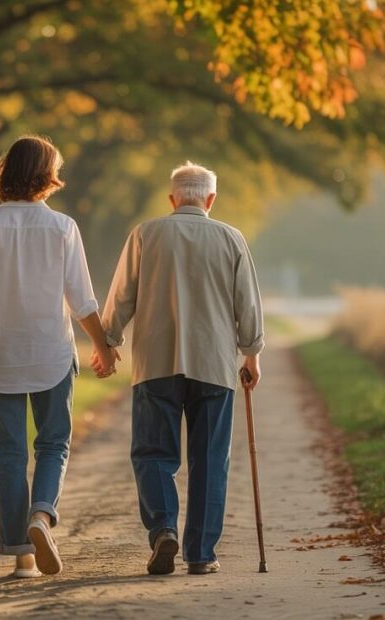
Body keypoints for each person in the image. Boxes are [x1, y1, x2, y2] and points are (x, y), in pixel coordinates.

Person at [0, 135, 118, 579]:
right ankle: (41, 516)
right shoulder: (62, 228)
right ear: (48, 175)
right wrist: (103, 345)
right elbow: (82, 301)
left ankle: (22, 555)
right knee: (52, 444)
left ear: (6, 171)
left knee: (10, 453)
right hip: (50, 352)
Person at [95, 161, 264, 575]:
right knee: (209, 459)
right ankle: (201, 554)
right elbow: (248, 304)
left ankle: (163, 529)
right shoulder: (231, 238)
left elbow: (120, 297)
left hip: (156, 362)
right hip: (214, 365)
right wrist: (252, 354)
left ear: (172, 199)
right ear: (211, 200)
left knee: (153, 453)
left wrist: (108, 343)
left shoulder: (146, 234)